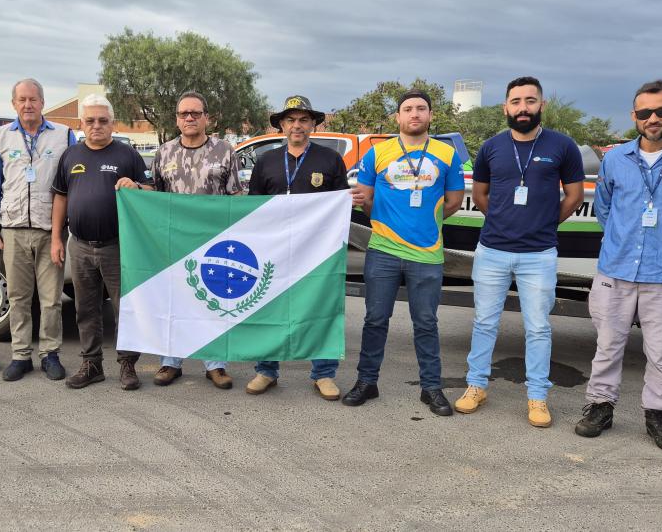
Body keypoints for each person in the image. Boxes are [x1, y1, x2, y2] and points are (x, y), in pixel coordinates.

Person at [455, 76, 584, 427]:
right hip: (492, 250)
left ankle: (538, 396)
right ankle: (475, 385)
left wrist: (544, 223)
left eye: (530, 101)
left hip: (539, 254)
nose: (522, 108)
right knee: (483, 322)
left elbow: (573, 196)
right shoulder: (492, 147)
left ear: (541, 105)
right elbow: (480, 195)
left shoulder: (563, 146)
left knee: (539, 327)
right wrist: (501, 220)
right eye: (516, 101)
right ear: (506, 107)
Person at [342, 90, 464, 416]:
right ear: (397, 117)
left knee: (426, 322)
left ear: (430, 115)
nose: (414, 114)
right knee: (375, 319)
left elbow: (453, 202)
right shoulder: (377, 153)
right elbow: (364, 199)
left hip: (426, 254)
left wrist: (425, 222)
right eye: (407, 109)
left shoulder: (446, 154)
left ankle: (432, 387)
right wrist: (387, 222)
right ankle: (367, 381)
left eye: (420, 109)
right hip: (382, 249)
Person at [575, 80, 662, 452]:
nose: (654, 118)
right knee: (608, 344)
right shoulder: (616, 159)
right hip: (616, 268)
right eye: (646, 112)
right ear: (634, 116)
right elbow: (604, 207)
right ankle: (600, 406)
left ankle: (659, 415)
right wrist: (621, 237)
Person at [245, 95, 361, 401]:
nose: (298, 125)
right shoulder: (266, 161)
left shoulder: (330, 160)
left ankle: (323, 373)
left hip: (316, 252)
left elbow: (338, 205)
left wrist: (349, 200)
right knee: (269, 307)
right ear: (282, 125)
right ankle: (266, 370)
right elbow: (254, 207)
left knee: (320, 308)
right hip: (273, 249)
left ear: (312, 124)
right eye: (291, 120)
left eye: (304, 120)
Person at [50, 93, 149, 390]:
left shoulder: (127, 155)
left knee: (124, 308)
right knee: (86, 308)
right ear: (81, 123)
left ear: (112, 123)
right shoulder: (71, 156)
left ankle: (128, 364)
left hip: (117, 245)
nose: (96, 126)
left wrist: (137, 185)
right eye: (90, 120)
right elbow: (61, 197)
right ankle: (91, 364)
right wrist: (56, 237)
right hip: (79, 245)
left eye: (103, 121)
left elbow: (150, 189)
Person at [0, 79, 76, 382]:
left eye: (33, 99)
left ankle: (50, 353)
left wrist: (65, 229)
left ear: (43, 102)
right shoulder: (0, 137)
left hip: (51, 229)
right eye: (21, 100)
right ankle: (21, 355)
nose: (27, 105)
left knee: (50, 299)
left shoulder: (64, 135)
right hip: (13, 228)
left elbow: (74, 183)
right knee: (19, 297)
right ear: (13, 104)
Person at [148, 91, 239, 390]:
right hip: (173, 241)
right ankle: (170, 361)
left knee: (211, 300)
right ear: (176, 119)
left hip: (213, 242)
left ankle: (215, 364)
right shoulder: (164, 153)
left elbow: (236, 196)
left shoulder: (225, 151)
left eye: (195, 113)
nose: (189, 118)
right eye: (184, 113)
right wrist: (132, 187)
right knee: (173, 301)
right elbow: (154, 196)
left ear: (206, 118)